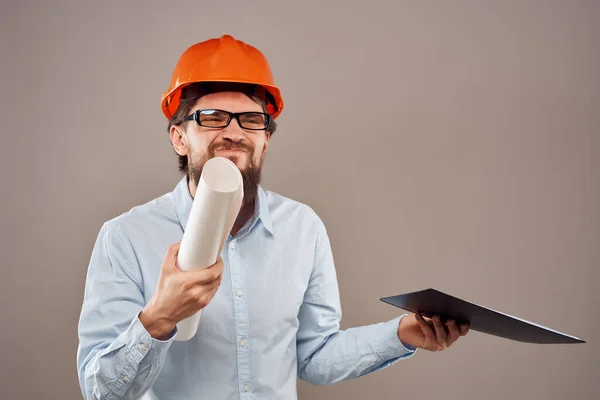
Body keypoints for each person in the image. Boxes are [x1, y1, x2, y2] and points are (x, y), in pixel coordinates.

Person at [76, 34, 469, 400]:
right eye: (212, 117)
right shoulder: (126, 238)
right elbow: (102, 391)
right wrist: (158, 319)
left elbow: (315, 356)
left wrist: (404, 334)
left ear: (265, 138)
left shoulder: (303, 228)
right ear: (179, 136)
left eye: (250, 119)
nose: (233, 133)